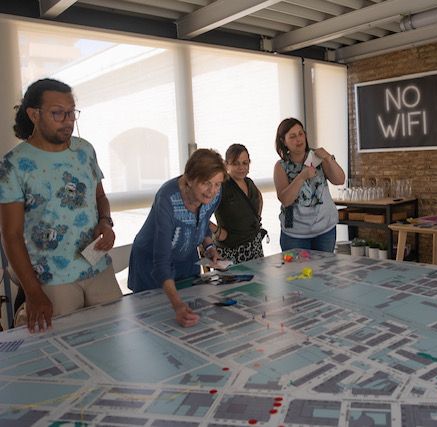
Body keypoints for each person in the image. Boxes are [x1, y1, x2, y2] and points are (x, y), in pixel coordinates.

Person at [0, 78, 121, 333]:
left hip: (97, 266)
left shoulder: (84, 150)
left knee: (113, 337)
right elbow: (11, 236)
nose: (68, 121)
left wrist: (106, 222)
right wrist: (33, 292)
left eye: (71, 112)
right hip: (51, 280)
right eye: (58, 113)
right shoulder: (13, 165)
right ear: (34, 115)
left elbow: (100, 198)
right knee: (63, 347)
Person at [127, 148, 225, 327]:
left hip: (186, 260)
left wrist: (209, 246)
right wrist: (177, 305)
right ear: (189, 179)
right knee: (154, 323)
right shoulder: (167, 198)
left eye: (217, 184)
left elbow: (202, 220)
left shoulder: (216, 193)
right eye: (206, 183)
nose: (212, 191)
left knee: (193, 316)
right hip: (152, 262)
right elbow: (161, 262)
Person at [273, 118, 345, 252]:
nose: (299, 139)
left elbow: (340, 180)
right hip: (295, 233)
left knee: (325, 266)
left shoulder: (317, 157)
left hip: (325, 229)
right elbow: (285, 200)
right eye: (292, 136)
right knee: (296, 266)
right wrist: (302, 177)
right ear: (283, 141)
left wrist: (329, 158)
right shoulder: (281, 166)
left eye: (301, 134)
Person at [211, 144, 265, 264]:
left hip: (254, 246)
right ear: (226, 164)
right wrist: (218, 232)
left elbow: (259, 200)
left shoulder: (250, 183)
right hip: (231, 250)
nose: (241, 167)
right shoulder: (221, 187)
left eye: (245, 163)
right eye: (236, 163)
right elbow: (202, 213)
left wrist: (256, 220)